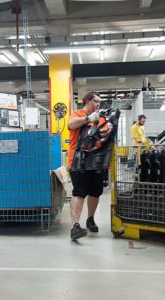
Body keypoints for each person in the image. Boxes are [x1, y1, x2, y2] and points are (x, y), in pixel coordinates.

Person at [67, 91, 103, 240]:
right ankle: (75, 226)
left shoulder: (100, 118)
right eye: (95, 101)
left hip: (95, 162)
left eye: (99, 102)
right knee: (79, 193)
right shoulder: (77, 114)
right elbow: (70, 124)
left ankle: (90, 219)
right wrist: (87, 119)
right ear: (87, 101)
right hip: (77, 162)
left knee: (95, 192)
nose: (98, 104)